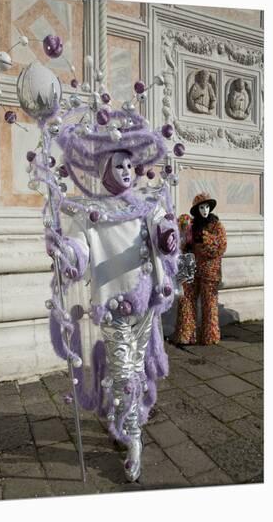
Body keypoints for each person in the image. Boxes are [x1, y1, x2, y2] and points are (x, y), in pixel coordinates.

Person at [46, 141, 180, 482]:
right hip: (113, 308)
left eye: (128, 166)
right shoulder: (92, 212)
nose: (124, 171)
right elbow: (79, 246)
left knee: (133, 366)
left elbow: (164, 227)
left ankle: (119, 418)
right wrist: (67, 252)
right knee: (124, 373)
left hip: (145, 304)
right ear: (105, 171)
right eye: (117, 166)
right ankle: (133, 438)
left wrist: (168, 236)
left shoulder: (145, 206)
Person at [175, 192, 227, 345]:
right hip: (190, 268)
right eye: (201, 208)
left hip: (209, 271)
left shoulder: (216, 225)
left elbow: (221, 246)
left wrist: (206, 239)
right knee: (186, 301)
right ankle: (186, 334)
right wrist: (184, 228)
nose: (204, 210)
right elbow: (182, 242)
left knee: (209, 305)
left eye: (206, 207)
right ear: (196, 209)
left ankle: (210, 336)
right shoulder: (191, 225)